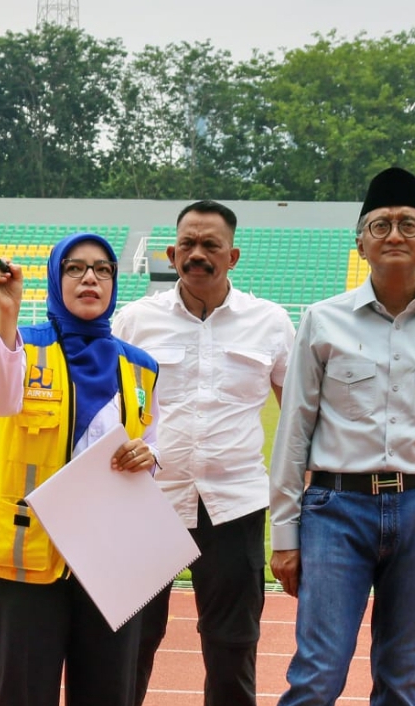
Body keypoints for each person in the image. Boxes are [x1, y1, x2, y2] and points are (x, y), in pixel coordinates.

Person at [269, 167, 415, 706]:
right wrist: (284, 534)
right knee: (317, 674)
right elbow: (294, 429)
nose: (395, 234)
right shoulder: (322, 321)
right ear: (361, 244)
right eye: (381, 224)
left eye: (409, 224)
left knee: (403, 679)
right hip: (335, 509)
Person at [113, 199, 294, 706]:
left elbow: (298, 417)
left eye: (210, 245)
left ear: (232, 256)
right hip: (147, 502)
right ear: (171, 254)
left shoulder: (271, 322)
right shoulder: (134, 322)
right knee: (131, 643)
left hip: (235, 505)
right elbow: (103, 407)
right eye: (187, 245)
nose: (197, 254)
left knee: (232, 646)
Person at [0, 231, 161, 706]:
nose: (90, 278)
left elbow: (152, 442)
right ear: (56, 278)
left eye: (102, 269)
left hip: (109, 558)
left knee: (108, 693)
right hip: (28, 560)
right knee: (23, 694)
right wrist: (7, 316)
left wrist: (149, 457)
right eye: (75, 268)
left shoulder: (142, 367)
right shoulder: (24, 345)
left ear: (114, 282)